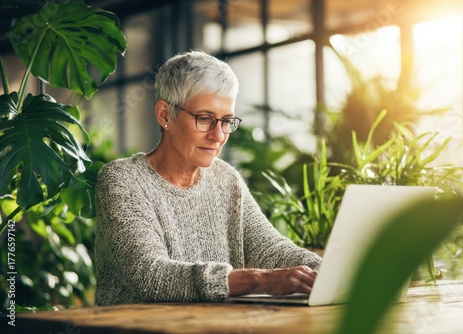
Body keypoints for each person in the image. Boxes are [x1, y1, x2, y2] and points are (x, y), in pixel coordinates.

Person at [94, 50, 321, 306]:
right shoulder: (122, 180)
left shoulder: (225, 179)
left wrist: (328, 272)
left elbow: (270, 249)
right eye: (205, 119)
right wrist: (259, 280)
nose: (219, 135)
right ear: (165, 115)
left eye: (226, 121)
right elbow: (150, 275)